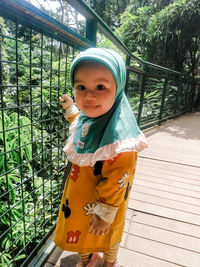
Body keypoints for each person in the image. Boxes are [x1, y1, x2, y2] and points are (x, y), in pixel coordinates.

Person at [54, 48, 148, 267]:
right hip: (79, 199)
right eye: (81, 87)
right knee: (78, 228)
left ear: (118, 88)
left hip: (107, 204)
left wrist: (104, 213)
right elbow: (80, 126)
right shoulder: (90, 119)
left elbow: (119, 179)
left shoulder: (120, 138)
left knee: (108, 233)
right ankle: (86, 259)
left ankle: (109, 262)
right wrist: (70, 108)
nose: (89, 96)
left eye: (100, 87)